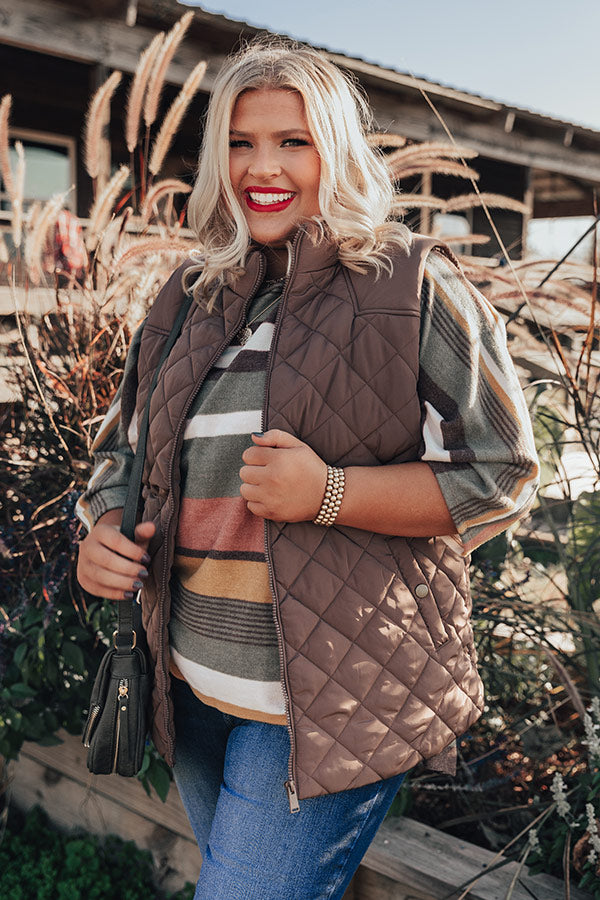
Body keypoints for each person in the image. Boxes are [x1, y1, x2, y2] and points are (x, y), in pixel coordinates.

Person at [76, 39, 539, 900]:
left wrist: (329, 493)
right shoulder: (188, 294)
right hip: (192, 691)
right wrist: (99, 530)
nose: (264, 168)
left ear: (338, 149)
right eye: (242, 143)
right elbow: (120, 450)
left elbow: (502, 471)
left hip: (327, 707)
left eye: (294, 141)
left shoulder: (411, 283)